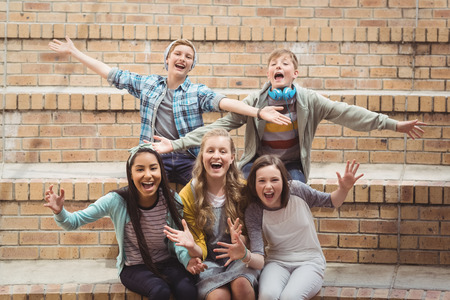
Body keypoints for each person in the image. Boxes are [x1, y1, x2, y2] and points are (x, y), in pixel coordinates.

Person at [152, 48, 426, 183]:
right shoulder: (255, 103)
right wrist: (175, 144)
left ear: (296, 74)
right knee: (242, 189)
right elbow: (220, 125)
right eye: (273, 65)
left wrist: (394, 125)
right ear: (268, 74)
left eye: (285, 64)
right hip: (257, 162)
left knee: (295, 193)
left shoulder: (309, 101)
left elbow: (349, 113)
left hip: (292, 165)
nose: (278, 67)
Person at [48, 37, 290, 185]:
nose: (182, 58)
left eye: (188, 57)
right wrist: (74, 52)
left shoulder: (196, 91)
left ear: (191, 65)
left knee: (205, 189)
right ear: (168, 60)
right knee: (144, 185)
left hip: (187, 157)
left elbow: (225, 102)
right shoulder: (148, 84)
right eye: (178, 54)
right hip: (154, 155)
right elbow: (111, 73)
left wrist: (258, 112)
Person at [43, 144, 207, 300]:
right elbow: (73, 222)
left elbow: (177, 242)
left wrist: (187, 260)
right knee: (160, 291)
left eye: (153, 168)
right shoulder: (116, 200)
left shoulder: (171, 200)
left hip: (166, 262)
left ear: (161, 171)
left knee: (187, 289)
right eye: (140, 169)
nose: (148, 175)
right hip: (134, 267)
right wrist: (59, 212)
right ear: (130, 174)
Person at [214, 154, 364, 300]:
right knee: (267, 296)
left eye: (274, 180)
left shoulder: (298, 190)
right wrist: (244, 254)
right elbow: (259, 260)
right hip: (276, 262)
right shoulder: (254, 210)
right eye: (262, 181)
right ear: (253, 185)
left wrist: (343, 189)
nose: (268, 186)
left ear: (284, 181)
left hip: (309, 261)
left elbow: (332, 202)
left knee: (290, 297)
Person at [163, 128, 259, 300]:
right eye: (210, 151)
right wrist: (192, 247)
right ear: (202, 157)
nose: (216, 156)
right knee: (218, 297)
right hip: (209, 262)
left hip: (239, 258)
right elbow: (199, 246)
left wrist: (242, 241)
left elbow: (253, 235)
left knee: (242, 286)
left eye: (223, 151)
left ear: (232, 157)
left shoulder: (244, 190)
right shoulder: (188, 194)